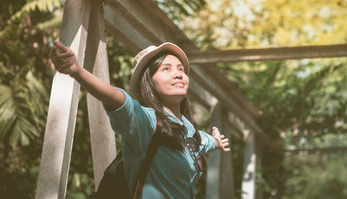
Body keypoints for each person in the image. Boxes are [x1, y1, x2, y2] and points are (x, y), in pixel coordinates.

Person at [50, 40, 230, 198]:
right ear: (149, 82)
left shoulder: (189, 129)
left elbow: (203, 142)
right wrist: (78, 72)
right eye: (166, 69)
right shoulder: (146, 122)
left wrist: (216, 142)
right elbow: (117, 99)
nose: (178, 74)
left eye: (180, 69)